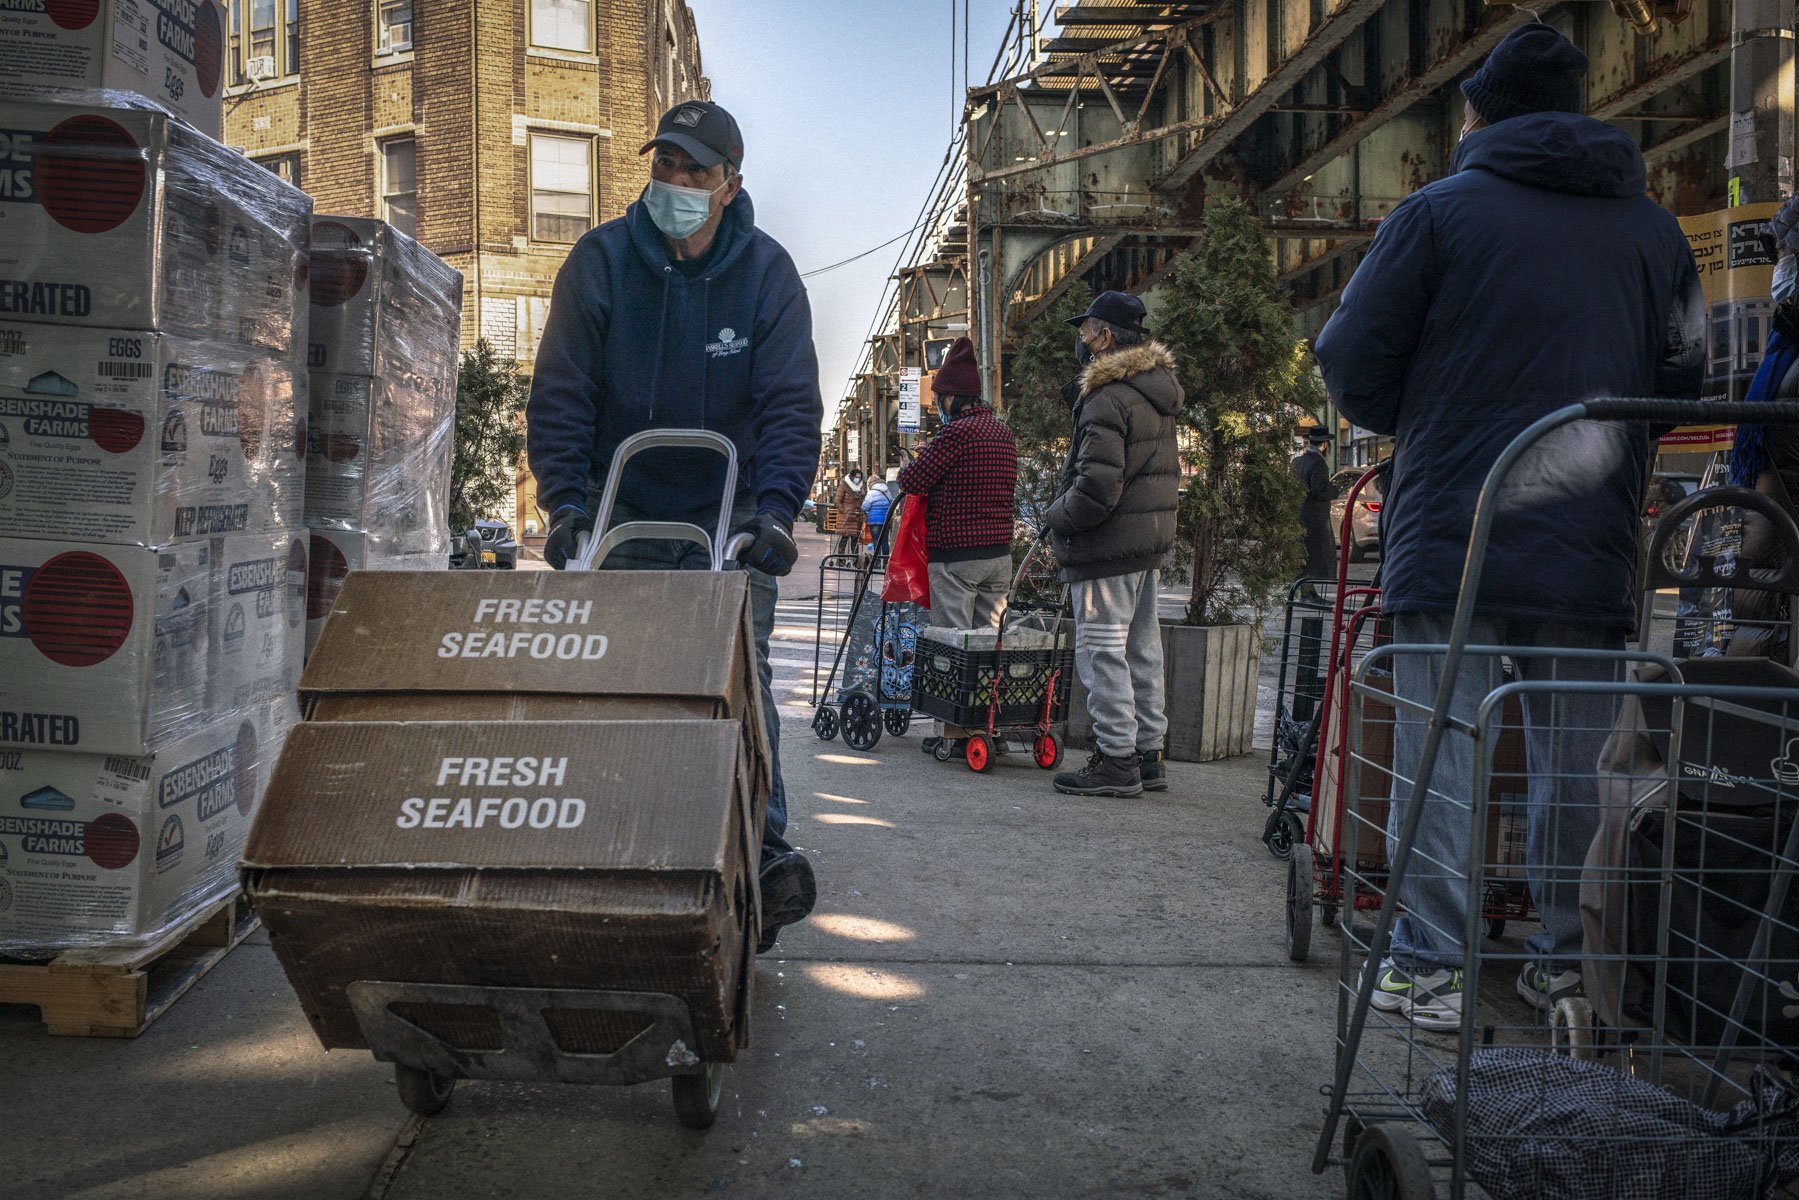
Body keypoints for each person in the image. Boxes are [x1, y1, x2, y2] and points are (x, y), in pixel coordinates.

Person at [1314, 23, 1704, 1030]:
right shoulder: (1657, 234)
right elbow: (1681, 377)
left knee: (1442, 758)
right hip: (1588, 541)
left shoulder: (1435, 214)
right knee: (1577, 766)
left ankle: (1427, 968)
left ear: (1479, 114)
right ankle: (1565, 968)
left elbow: (1351, 359)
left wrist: (1431, 409)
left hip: (1453, 529)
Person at [525, 99, 824, 953]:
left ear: (729, 183)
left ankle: (763, 851)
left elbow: (787, 406)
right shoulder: (600, 263)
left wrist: (776, 512)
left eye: (697, 170)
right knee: (612, 681)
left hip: (728, 519)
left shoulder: (767, 275)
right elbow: (564, 391)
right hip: (622, 510)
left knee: (742, 674)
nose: (678, 183)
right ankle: (595, 840)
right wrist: (566, 507)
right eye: (666, 166)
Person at [1044, 291, 1184, 798]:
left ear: (1104, 337)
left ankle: (1116, 760)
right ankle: (1149, 754)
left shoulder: (1107, 395)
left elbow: (1096, 488)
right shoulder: (1153, 391)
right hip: (1145, 545)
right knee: (1142, 649)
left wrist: (1055, 517)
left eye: (1085, 331)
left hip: (1105, 547)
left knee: (1103, 650)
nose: (1080, 341)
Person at [895, 337, 1020, 757]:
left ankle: (953, 732)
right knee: (989, 645)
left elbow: (914, 481)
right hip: (999, 557)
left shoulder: (957, 435)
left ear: (953, 397)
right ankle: (989, 726)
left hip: (957, 559)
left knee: (952, 644)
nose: (938, 407)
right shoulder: (1002, 435)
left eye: (940, 399)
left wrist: (912, 462)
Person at [1728, 200, 1799, 663]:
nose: (1779, 265)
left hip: (1781, 534)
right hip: (1773, 534)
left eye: (1786, 252)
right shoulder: (1788, 339)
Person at [1292, 425, 1337, 589]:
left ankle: (1305, 590)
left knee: (1305, 558)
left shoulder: (1297, 461)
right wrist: (1334, 490)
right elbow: (1319, 491)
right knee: (1315, 557)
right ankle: (1307, 592)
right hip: (1315, 518)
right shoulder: (1318, 463)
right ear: (1325, 444)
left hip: (1298, 515)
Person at [832, 466, 867, 556]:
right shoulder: (844, 485)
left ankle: (855, 558)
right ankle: (841, 557)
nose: (857, 479)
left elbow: (863, 501)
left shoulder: (862, 487)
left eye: (859, 477)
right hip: (846, 517)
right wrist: (844, 510)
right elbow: (837, 501)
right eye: (856, 477)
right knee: (844, 537)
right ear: (852, 477)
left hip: (856, 516)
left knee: (855, 539)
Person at [861, 471, 895, 555]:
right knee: (885, 542)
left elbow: (865, 506)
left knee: (876, 542)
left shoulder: (871, 493)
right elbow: (891, 503)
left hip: (875, 521)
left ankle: (877, 562)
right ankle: (886, 562)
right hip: (886, 520)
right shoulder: (887, 491)